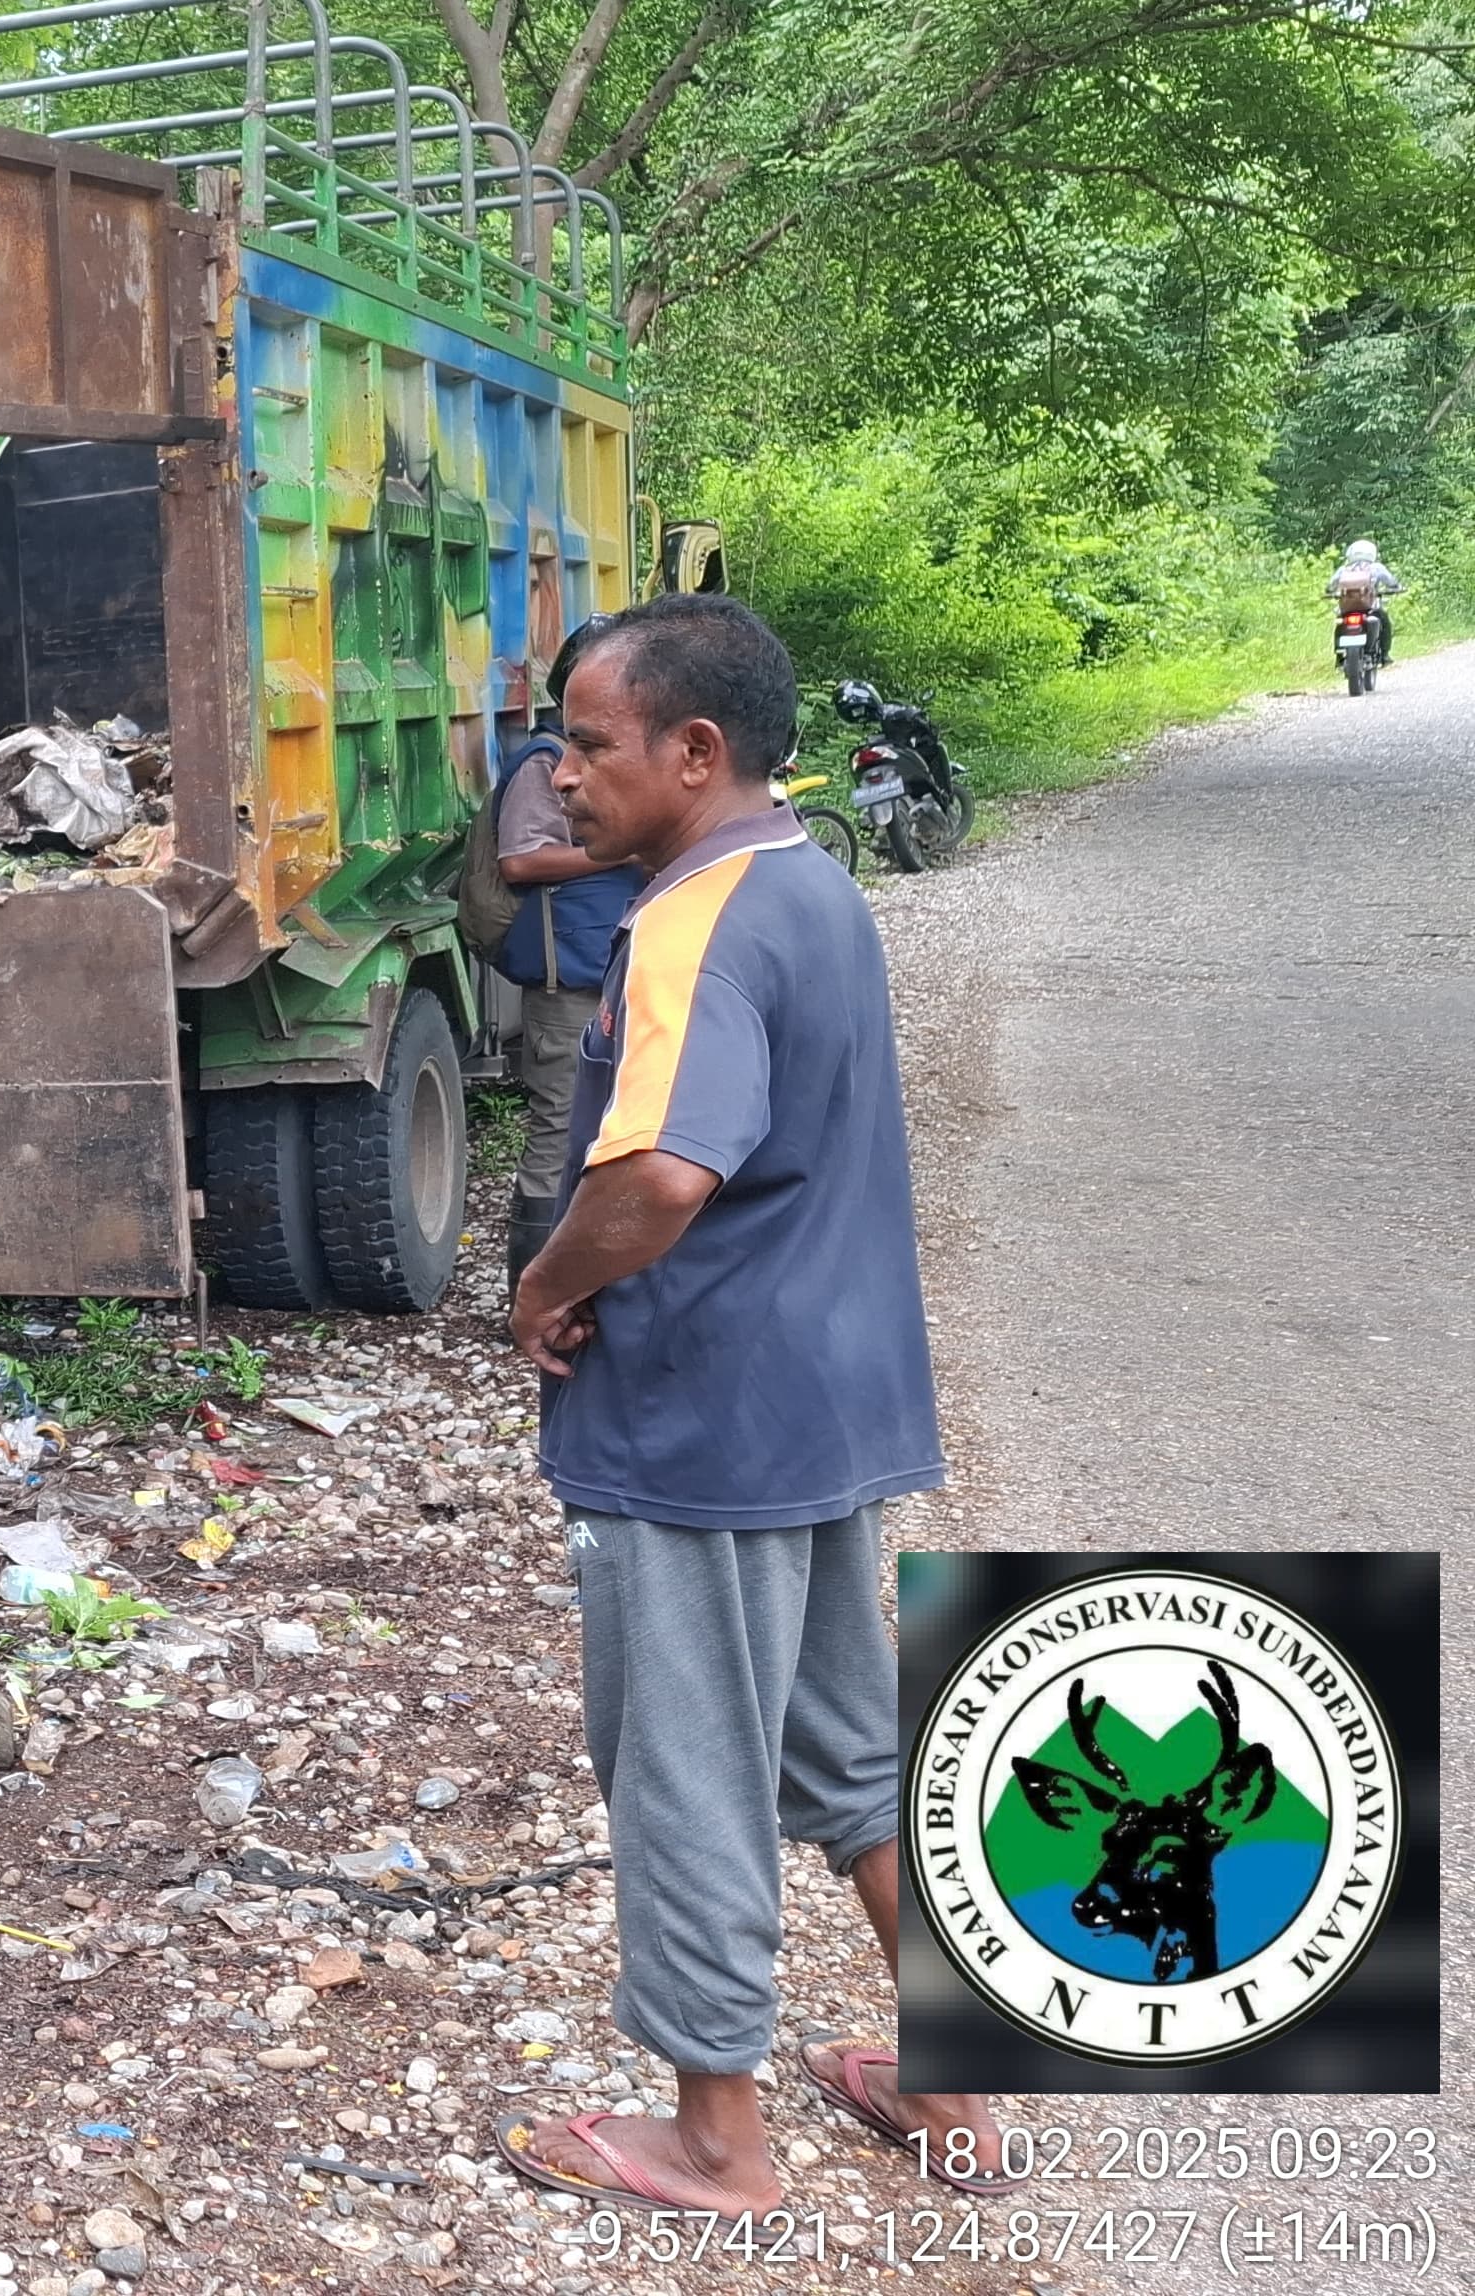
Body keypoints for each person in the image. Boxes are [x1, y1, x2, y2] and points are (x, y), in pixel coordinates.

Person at [497, 594, 1013, 2211]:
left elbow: (660, 1171)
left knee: (687, 1766)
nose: (562, 778)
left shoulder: (688, 922)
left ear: (694, 751)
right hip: (825, 1402)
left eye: (589, 745)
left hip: (702, 1422)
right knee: (854, 1752)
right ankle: (956, 2079)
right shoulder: (813, 884)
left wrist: (545, 1285)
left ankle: (716, 2139)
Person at [496, 630, 643, 1273]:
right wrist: (614, 851)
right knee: (558, 1135)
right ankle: (526, 1291)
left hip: (612, 976)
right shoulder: (545, 762)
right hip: (567, 989)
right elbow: (520, 859)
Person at [1332, 538, 1403, 664]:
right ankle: (1385, 655)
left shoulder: (1343, 569)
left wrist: (1331, 592)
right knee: (1385, 622)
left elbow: (1330, 586)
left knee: (1340, 625)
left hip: (1347, 609)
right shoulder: (1376, 567)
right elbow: (1391, 582)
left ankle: (1339, 656)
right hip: (1371, 607)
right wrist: (1397, 588)